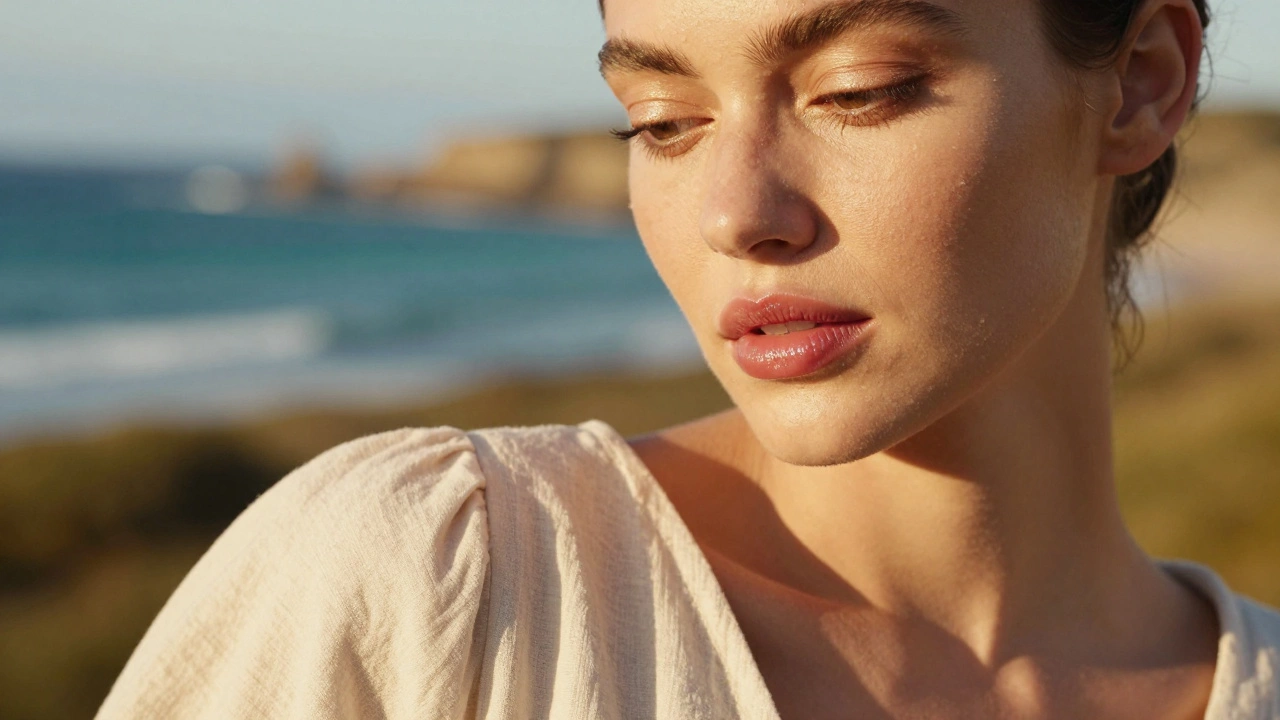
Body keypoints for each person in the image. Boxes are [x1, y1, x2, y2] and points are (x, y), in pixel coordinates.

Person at [98, 0, 1279, 717]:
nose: (732, 212)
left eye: (854, 92)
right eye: (661, 121)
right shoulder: (444, 584)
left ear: (1141, 83)